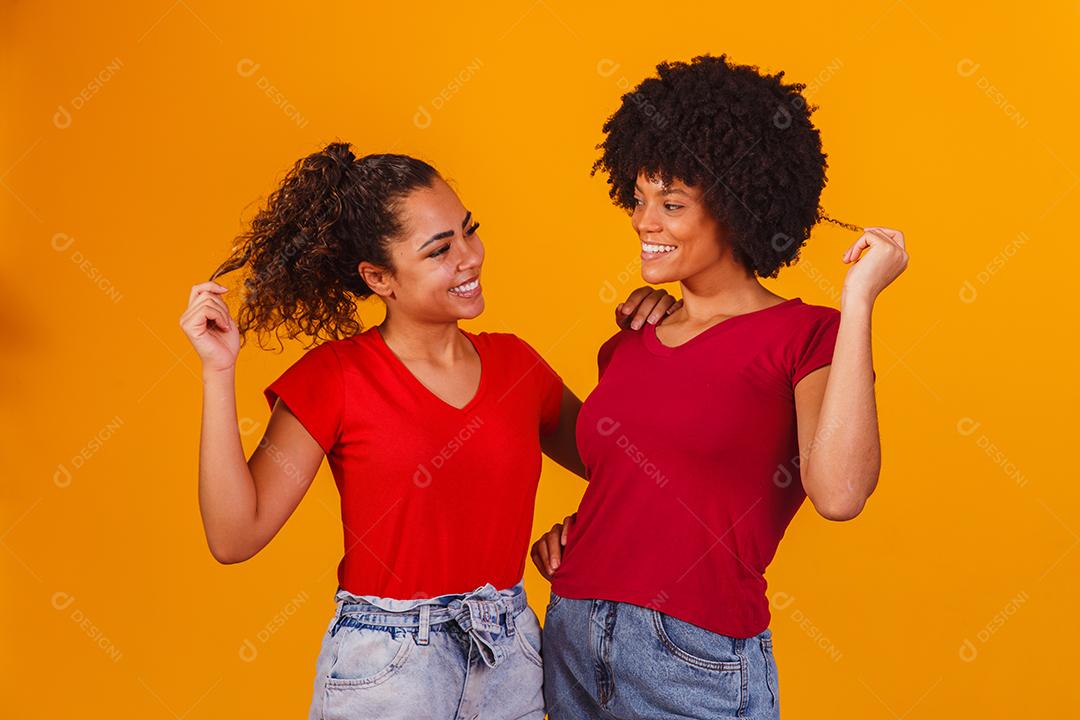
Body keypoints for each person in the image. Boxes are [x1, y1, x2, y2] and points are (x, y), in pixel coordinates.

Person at [179, 142, 677, 719]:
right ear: (379, 278)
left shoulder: (519, 369)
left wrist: (666, 334)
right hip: (387, 670)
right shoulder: (336, 377)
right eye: (440, 250)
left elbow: (639, 471)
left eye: (469, 230)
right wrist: (218, 372)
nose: (468, 257)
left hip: (509, 656)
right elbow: (234, 537)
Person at [531, 54, 908, 719]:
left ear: (734, 209)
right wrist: (577, 537)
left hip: (691, 655)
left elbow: (840, 493)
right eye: (639, 198)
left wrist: (859, 303)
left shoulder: (809, 337)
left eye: (671, 204)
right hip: (568, 635)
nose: (645, 220)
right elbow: (641, 483)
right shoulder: (629, 339)